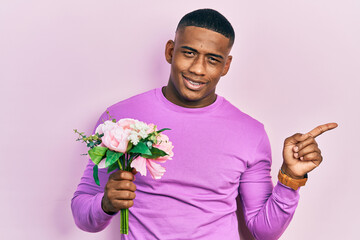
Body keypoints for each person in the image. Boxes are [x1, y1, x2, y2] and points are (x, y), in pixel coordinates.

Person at [71, 9, 337, 240]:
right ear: (170, 51)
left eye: (213, 59)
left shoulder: (250, 133)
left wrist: (291, 178)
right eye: (189, 53)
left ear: (226, 66)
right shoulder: (118, 117)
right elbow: (83, 215)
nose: (198, 69)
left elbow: (263, 231)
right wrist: (105, 203)